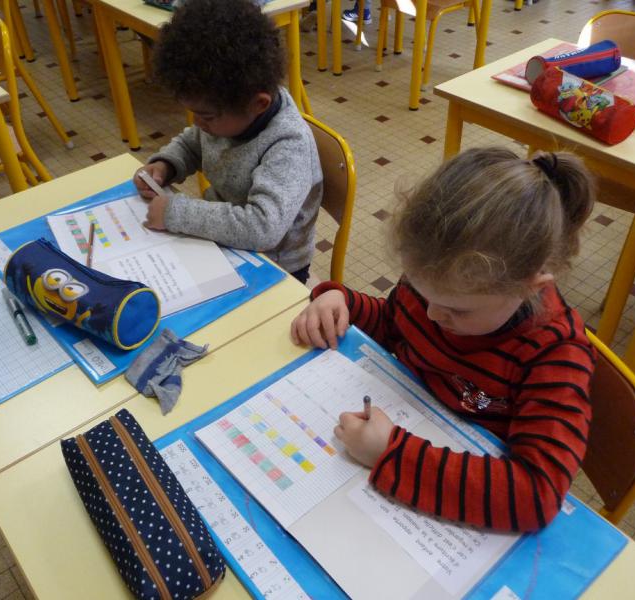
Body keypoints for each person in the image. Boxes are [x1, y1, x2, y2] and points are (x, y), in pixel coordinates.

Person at [290, 147, 597, 532]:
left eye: (457, 310)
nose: (433, 315)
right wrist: (344, 303)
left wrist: (391, 453)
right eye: (423, 295)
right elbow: (394, 325)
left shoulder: (556, 355)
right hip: (407, 434)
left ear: (528, 287)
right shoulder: (440, 279)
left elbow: (536, 494)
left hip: (457, 505)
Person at [134, 0, 323, 284]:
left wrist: (176, 213)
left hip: (274, 265)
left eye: (206, 116)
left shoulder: (288, 144)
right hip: (224, 241)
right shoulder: (230, 112)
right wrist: (165, 165)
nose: (198, 123)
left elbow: (262, 228)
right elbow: (193, 143)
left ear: (259, 104)